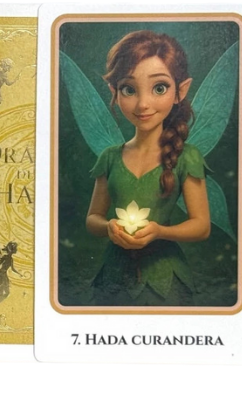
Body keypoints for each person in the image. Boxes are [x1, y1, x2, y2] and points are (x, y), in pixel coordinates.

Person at [85, 31, 210, 305]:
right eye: (129, 90)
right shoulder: (109, 157)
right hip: (112, 278)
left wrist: (160, 231)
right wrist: (109, 227)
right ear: (114, 93)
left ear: (181, 91)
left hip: (165, 280)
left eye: (159, 88)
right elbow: (92, 218)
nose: (143, 104)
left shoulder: (187, 157)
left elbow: (202, 226)